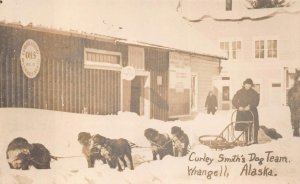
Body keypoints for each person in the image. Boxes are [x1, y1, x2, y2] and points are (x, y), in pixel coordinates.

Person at [232, 78, 260, 144]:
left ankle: (255, 140)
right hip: (243, 112)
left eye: (249, 84)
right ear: (244, 84)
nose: (247, 85)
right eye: (246, 84)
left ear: (251, 85)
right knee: (245, 125)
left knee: (253, 125)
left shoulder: (254, 93)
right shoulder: (239, 92)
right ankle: (247, 139)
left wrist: (250, 106)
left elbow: (256, 102)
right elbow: (234, 100)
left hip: (252, 111)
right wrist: (238, 107)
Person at [287, 72, 300, 137]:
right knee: (295, 117)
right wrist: (290, 105)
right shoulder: (292, 90)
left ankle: (296, 129)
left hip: (295, 105)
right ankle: (296, 130)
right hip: (295, 105)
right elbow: (289, 99)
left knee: (295, 116)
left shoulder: (292, 89)